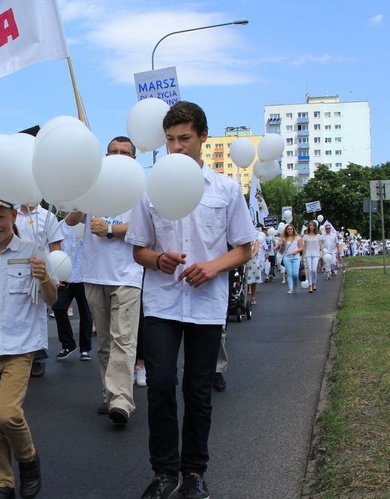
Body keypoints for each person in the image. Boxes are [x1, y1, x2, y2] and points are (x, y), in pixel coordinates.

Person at [126, 101, 256, 498]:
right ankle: (164, 473)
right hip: (164, 303)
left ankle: (195, 474)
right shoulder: (148, 189)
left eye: (185, 138)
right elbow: (139, 250)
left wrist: (213, 266)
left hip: (206, 305)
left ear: (202, 137)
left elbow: (245, 247)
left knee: (198, 390)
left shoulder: (226, 189)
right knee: (161, 386)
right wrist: (158, 259)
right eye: (169, 140)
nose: (177, 147)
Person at [0, 194, 58, 499]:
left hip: (20, 347)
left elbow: (51, 300)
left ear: (14, 215)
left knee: (8, 415)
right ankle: (3, 483)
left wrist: (44, 279)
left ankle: (28, 459)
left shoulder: (33, 252)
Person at [66, 136, 143, 427]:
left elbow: (144, 228)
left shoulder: (139, 190)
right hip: (94, 273)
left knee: (124, 340)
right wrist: (85, 199)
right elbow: (71, 220)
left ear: (133, 159)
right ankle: (110, 393)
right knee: (105, 343)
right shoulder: (93, 185)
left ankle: (122, 400)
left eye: (125, 153)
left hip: (127, 275)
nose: (118, 156)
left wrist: (110, 229)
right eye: (113, 152)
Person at [15, 201, 62, 376]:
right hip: (17, 269)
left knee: (39, 313)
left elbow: (55, 246)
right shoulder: (13, 214)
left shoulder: (48, 217)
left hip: (41, 269)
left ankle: (38, 357)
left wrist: (55, 274)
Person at [52, 219, 93, 361]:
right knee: (58, 308)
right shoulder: (59, 225)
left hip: (84, 275)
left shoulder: (89, 224)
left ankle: (85, 348)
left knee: (85, 314)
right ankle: (68, 344)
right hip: (65, 276)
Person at [279, 223, 303, 295]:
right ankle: (291, 288)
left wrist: (297, 251)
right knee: (289, 273)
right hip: (287, 257)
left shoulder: (297, 238)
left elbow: (301, 247)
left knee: (295, 274)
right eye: (288, 229)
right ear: (286, 230)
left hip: (296, 257)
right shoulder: (284, 238)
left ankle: (295, 285)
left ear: (293, 230)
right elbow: (281, 251)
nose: (290, 230)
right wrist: (282, 245)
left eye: (291, 229)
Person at [302, 221, 323, 293]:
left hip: (316, 254)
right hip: (308, 254)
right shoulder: (306, 236)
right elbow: (304, 247)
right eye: (310, 225)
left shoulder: (318, 236)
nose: (311, 227)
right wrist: (302, 256)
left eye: (313, 225)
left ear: (315, 227)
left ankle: (314, 283)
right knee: (310, 270)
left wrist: (322, 252)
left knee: (314, 269)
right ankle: (310, 285)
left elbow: (321, 245)